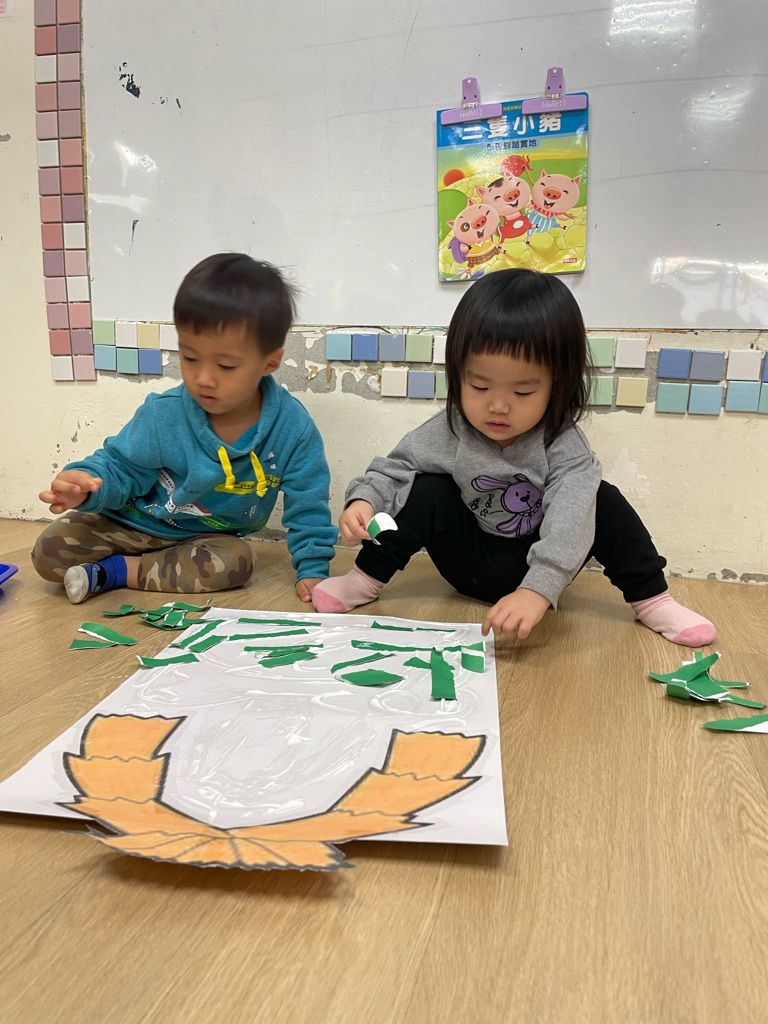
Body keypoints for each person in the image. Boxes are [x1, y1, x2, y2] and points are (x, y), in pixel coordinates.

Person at [312, 269, 715, 647]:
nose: (498, 406)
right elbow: (394, 468)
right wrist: (365, 501)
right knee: (427, 489)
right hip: (467, 565)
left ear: (558, 385)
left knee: (601, 499)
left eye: (523, 392)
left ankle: (652, 599)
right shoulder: (449, 430)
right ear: (458, 375)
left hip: (535, 568)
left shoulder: (565, 446)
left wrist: (538, 588)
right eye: (479, 386)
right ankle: (363, 579)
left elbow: (570, 525)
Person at [33, 253, 337, 604]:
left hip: (201, 541)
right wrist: (85, 486)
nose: (203, 378)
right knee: (50, 551)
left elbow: (308, 504)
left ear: (270, 362)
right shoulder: (164, 414)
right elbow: (119, 467)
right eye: (190, 358)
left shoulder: (292, 428)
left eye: (226, 365)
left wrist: (313, 568)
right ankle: (135, 565)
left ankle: (117, 572)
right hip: (131, 523)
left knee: (237, 563)